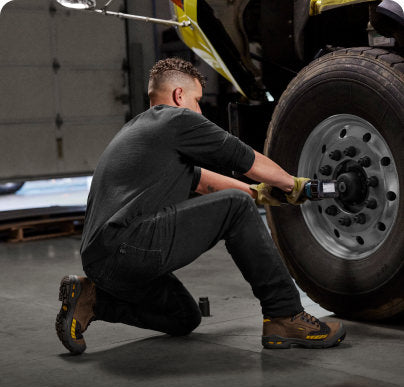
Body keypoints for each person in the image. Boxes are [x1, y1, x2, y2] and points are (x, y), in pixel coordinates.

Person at [55, 58, 346, 355]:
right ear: (179, 96)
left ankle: (92, 299)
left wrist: (261, 194)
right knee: (237, 206)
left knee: (183, 317)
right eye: (197, 101)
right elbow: (245, 159)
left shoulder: (140, 132)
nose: (200, 111)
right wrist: (293, 184)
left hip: (101, 261)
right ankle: (284, 315)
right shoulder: (176, 119)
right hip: (126, 248)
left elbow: (204, 182)